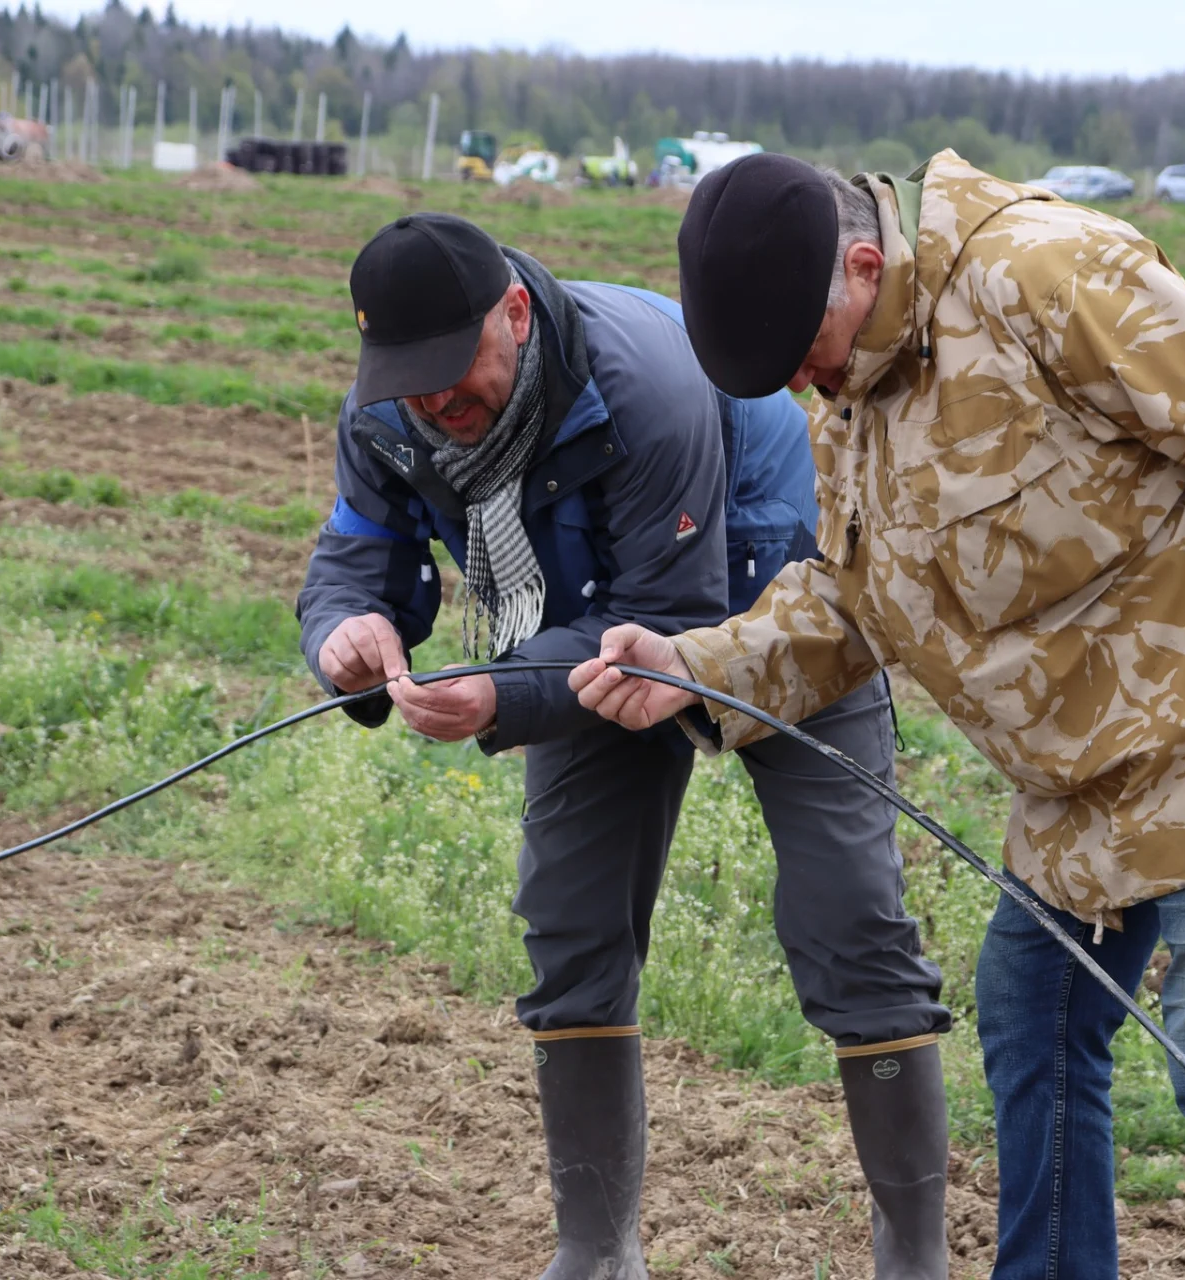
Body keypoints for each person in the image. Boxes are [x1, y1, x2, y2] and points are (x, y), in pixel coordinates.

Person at [571, 152, 1185, 1280]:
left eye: (802, 357)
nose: (799, 389)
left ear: (865, 268)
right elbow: (850, 600)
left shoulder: (1042, 276)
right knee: (1031, 1016)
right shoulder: (852, 395)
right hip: (1083, 789)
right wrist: (697, 664)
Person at [296, 212, 956, 1279]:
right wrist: (343, 629)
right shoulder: (390, 414)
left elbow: (666, 608)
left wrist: (504, 694)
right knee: (571, 922)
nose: (434, 404)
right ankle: (596, 1255)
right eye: (407, 379)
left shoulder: (646, 379)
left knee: (849, 921)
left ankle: (913, 1259)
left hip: (769, 604)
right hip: (581, 627)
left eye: (453, 373)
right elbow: (351, 555)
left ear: (514, 311)